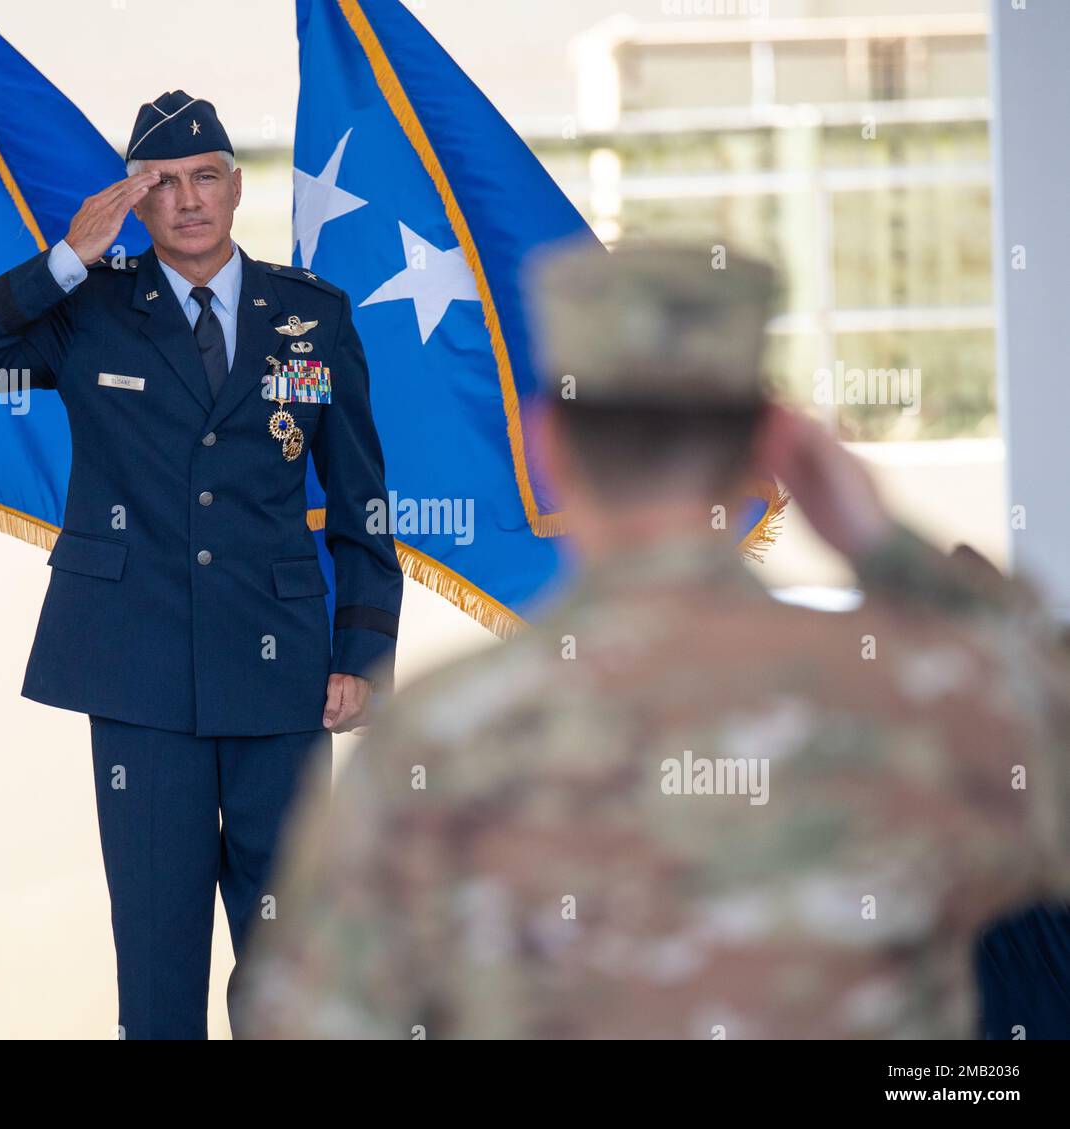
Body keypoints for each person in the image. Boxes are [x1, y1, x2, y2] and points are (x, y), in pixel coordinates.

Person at [231, 238, 1070, 1039]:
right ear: (769, 451)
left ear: (545, 449)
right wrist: (888, 547)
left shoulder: (441, 736)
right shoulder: (928, 700)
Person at [0, 90, 403, 1039]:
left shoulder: (312, 319)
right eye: (162, 183)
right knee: (156, 946)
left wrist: (363, 652)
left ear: (236, 186)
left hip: (285, 676)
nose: (188, 199)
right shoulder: (90, 311)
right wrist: (67, 260)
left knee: (292, 948)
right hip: (139, 678)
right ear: (135, 205)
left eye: (206, 177)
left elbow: (363, 502)